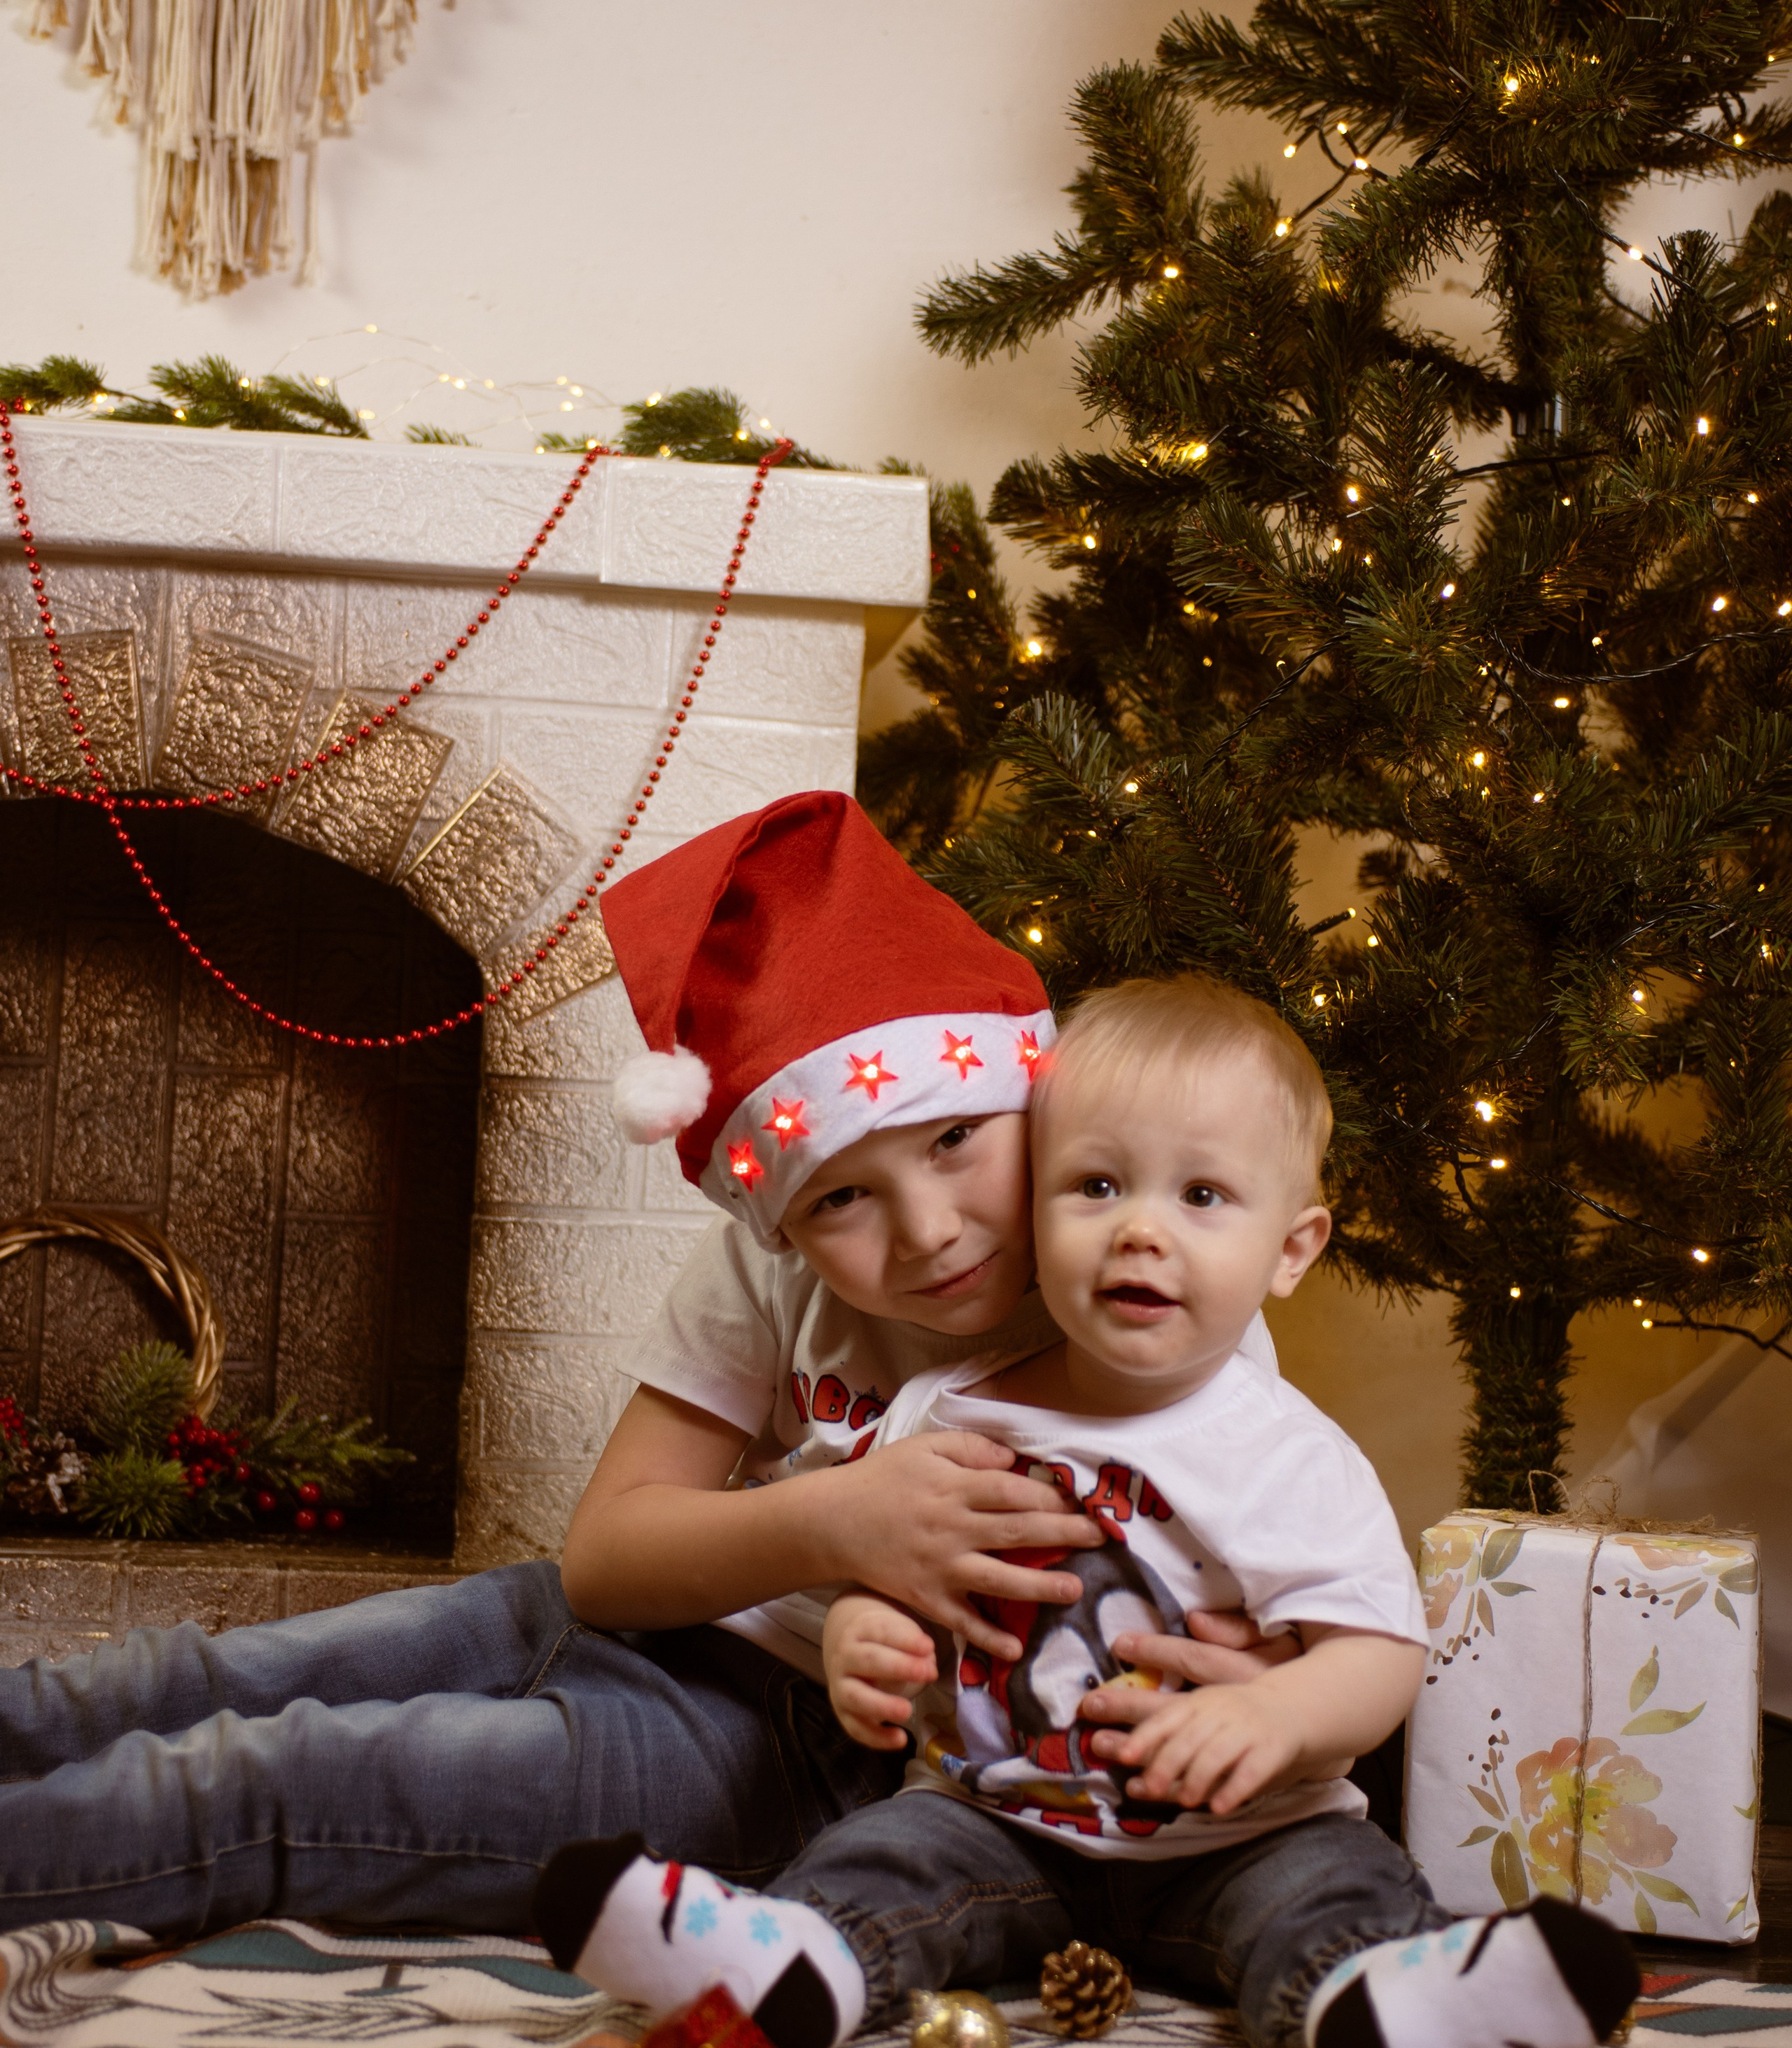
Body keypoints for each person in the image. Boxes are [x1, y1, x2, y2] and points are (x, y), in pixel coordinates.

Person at [0, 794, 1276, 1940]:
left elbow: (1267, 1596)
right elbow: (605, 1558)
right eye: (842, 1198)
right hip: (612, 1618)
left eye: (955, 1137)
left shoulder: (1153, 1309)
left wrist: (1253, 1680)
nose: (929, 1228)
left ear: (1033, 1101)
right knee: (210, 1676)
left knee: (268, 1776)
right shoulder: (772, 1280)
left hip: (767, 1748)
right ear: (778, 1212)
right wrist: (842, 1517)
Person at [536, 976, 1637, 2048]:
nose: (1141, 1228)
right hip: (992, 1817)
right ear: (1032, 1206)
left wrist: (1276, 1716)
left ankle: (1380, 2002)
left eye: (1203, 1194)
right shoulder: (951, 1413)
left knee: (1329, 1894)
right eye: (1096, 1184)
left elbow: (1380, 1656)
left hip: (1242, 1832)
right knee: (883, 1856)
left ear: (1292, 1248)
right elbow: (898, 1586)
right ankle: (785, 1962)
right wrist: (866, 1636)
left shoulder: (1284, 1450)